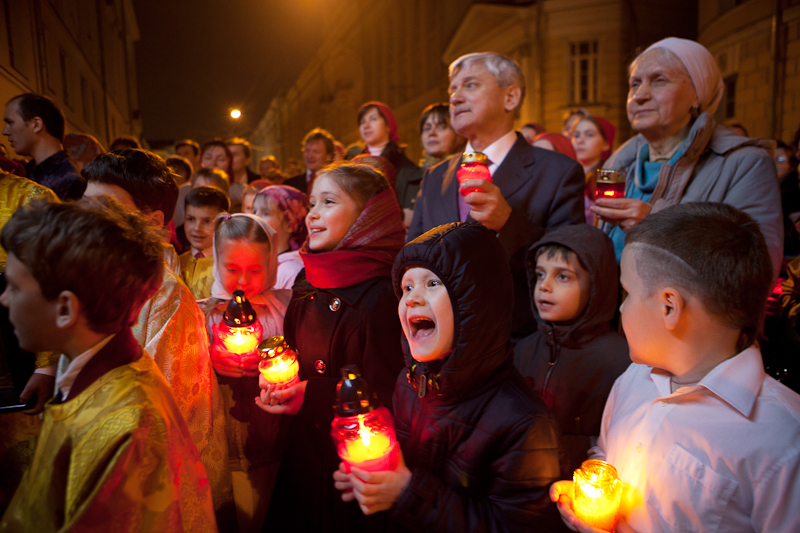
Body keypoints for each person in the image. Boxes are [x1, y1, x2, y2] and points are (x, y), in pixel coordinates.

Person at [552, 202, 800, 533]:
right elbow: (605, 454)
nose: (621, 308)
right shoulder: (635, 379)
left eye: (627, 293)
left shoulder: (783, 440)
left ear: (670, 306)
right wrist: (594, 494)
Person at [0, 197, 217, 531]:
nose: (3, 299)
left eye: (14, 287)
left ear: (65, 310)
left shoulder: (127, 424)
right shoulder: (89, 376)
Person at [334, 222, 563, 531]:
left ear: (474, 302)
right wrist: (375, 479)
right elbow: (407, 470)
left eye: (432, 284)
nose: (413, 298)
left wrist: (408, 495)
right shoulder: (409, 382)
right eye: (407, 288)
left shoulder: (524, 422)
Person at [81, 150, 232, 513]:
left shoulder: (163, 294)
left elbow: (166, 413)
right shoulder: (87, 272)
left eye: (104, 206)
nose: (86, 216)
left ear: (151, 221)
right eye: (85, 203)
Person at [258, 162, 406, 532]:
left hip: (353, 469)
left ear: (366, 218)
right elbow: (293, 349)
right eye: (312, 204)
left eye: (328, 202)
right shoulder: (311, 278)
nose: (313, 215)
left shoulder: (382, 295)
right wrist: (281, 378)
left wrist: (313, 393)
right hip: (305, 452)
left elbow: (389, 392)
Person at [408, 52, 585, 341]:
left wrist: (509, 224)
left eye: (470, 85)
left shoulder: (558, 172)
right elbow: (411, 258)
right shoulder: (435, 176)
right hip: (440, 344)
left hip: (515, 344)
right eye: (452, 89)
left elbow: (568, 271)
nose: (454, 97)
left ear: (510, 97)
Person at [592, 37, 784, 277]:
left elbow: (757, 270)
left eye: (659, 80)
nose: (640, 95)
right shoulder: (618, 164)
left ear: (697, 93)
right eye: (635, 84)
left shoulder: (744, 163)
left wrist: (658, 227)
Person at [513, 224, 630, 473]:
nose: (544, 286)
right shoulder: (523, 350)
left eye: (563, 276)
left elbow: (615, 444)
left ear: (596, 285)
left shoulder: (620, 361)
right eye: (540, 274)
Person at [203, 213, 291, 533]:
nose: (243, 281)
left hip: (272, 437)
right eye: (232, 269)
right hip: (223, 436)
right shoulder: (204, 313)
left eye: (255, 270)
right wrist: (210, 356)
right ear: (216, 259)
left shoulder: (284, 308)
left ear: (270, 263)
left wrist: (278, 363)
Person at [2, 93, 85, 200]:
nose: (5, 132)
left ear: (36, 125)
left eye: (10, 123)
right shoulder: (26, 172)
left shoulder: (69, 181)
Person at [357, 101, 419, 207]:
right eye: (362, 122)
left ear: (388, 125)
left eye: (373, 119)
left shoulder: (403, 165)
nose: (366, 126)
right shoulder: (355, 163)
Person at [252, 185, 309, 291]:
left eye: (265, 213)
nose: (256, 218)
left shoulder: (290, 271)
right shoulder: (262, 261)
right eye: (254, 211)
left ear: (289, 224)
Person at [180, 186, 230, 300]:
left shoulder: (227, 266)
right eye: (191, 219)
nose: (197, 228)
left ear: (221, 222)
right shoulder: (177, 262)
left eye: (207, 221)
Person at [571, 116, 616, 224]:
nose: (579, 141)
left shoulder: (609, 177)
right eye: (576, 135)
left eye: (589, 135)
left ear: (606, 144)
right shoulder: (566, 175)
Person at [283, 128, 336, 195]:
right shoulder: (289, 185)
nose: (310, 156)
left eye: (316, 151)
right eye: (307, 151)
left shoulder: (336, 184)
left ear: (329, 155)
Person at [227, 138, 260, 209]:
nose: (230, 159)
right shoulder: (220, 183)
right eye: (228, 155)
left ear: (247, 159)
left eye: (234, 155)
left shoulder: (258, 182)